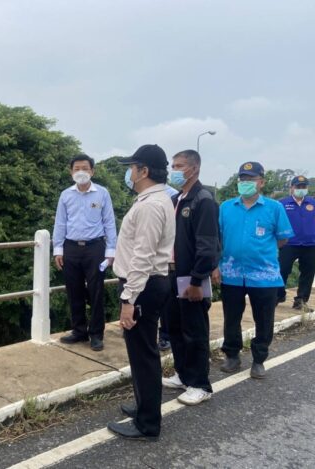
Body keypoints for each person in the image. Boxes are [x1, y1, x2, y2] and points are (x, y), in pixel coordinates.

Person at [106, 144, 175, 441]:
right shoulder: (156, 199)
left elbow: (143, 256)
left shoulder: (149, 206)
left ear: (144, 171)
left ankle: (147, 423)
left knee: (144, 354)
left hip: (142, 286)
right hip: (148, 283)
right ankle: (144, 406)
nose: (129, 173)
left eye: (132, 168)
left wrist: (128, 299)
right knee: (141, 352)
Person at [214, 162, 294, 379]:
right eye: (242, 179)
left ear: (261, 182)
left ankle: (259, 359)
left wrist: (260, 252)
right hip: (231, 273)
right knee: (231, 317)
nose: (245, 183)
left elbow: (283, 239)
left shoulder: (274, 208)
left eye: (250, 179)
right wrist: (216, 266)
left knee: (264, 319)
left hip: (264, 276)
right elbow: (218, 239)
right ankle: (232, 355)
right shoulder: (226, 208)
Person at [161, 150, 219, 405]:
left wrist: (197, 280)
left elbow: (207, 245)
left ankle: (200, 384)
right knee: (175, 327)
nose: (174, 170)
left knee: (195, 331)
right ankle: (183, 375)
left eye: (179, 166)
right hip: (172, 273)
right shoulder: (176, 199)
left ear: (194, 169)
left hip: (191, 276)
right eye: (173, 165)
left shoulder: (203, 200)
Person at [53, 154, 117, 351]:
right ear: (71, 172)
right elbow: (60, 223)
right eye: (77, 168)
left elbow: (109, 222)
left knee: (96, 291)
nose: (81, 172)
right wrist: (58, 249)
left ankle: (96, 334)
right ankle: (79, 330)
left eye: (85, 168)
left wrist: (111, 251)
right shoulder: (66, 195)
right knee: (74, 290)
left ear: (92, 171)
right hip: (71, 247)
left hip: (95, 248)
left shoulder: (102, 193)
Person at [278, 176, 315, 312]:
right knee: (282, 270)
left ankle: (301, 301)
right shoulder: (281, 204)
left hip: (310, 245)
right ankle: (278, 295)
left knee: (308, 274)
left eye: (303, 187)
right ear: (292, 188)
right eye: (298, 186)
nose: (301, 189)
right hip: (288, 244)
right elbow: (275, 224)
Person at [157, 184, 180, 351]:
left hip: (183, 265)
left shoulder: (202, 201)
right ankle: (165, 336)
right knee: (165, 304)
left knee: (183, 306)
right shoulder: (173, 200)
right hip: (164, 263)